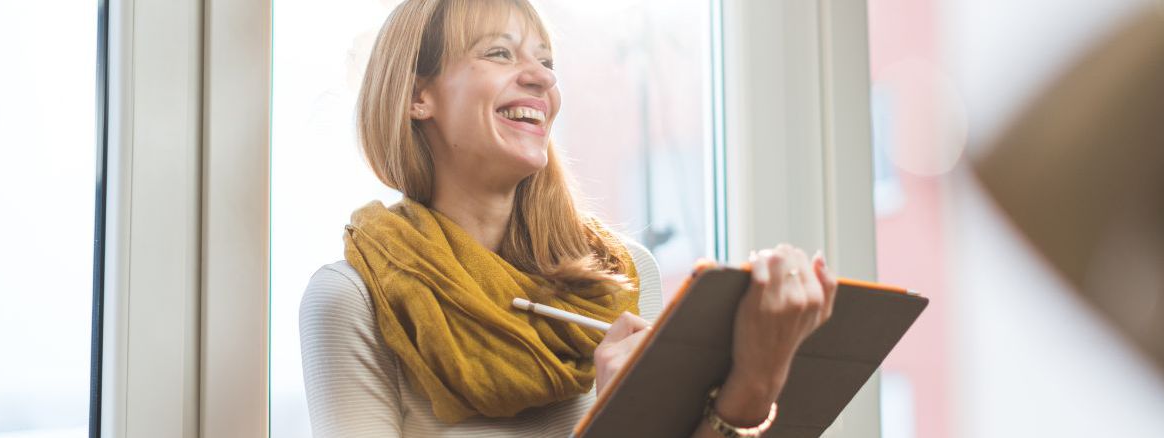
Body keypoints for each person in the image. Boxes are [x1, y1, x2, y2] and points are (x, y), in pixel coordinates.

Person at [299, 0, 838, 436]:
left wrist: (757, 381)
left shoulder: (623, 275)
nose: (541, 79)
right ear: (419, 96)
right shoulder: (352, 299)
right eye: (500, 54)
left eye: (546, 62)